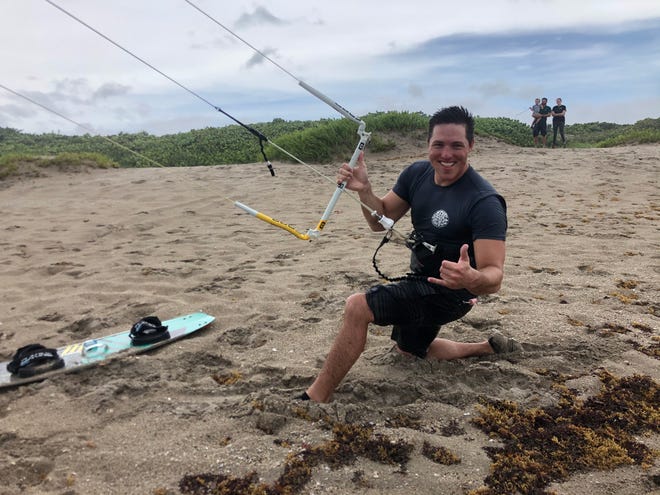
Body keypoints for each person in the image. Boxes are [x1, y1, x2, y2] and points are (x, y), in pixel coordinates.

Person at [300, 106, 521, 403]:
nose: (447, 154)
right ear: (428, 144)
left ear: (470, 145)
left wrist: (471, 277)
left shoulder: (484, 202)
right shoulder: (417, 174)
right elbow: (381, 221)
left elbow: (494, 277)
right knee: (411, 352)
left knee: (358, 307)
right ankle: (485, 347)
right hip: (418, 280)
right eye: (439, 145)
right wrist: (365, 191)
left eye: (457, 145)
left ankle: (316, 397)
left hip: (450, 295)